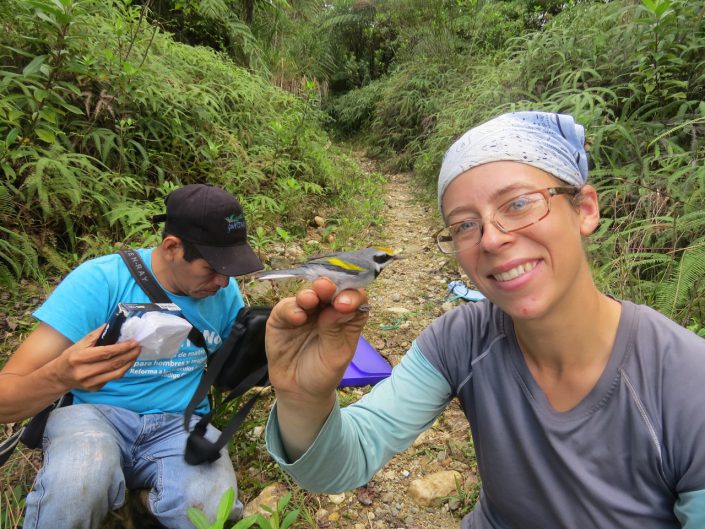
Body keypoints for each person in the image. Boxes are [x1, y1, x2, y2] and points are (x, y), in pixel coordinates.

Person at [262, 111, 705, 529]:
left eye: (518, 204)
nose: (492, 238)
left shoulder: (687, 382)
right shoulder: (461, 339)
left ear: (585, 209)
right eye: (464, 226)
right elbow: (346, 461)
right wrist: (304, 398)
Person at [0, 183, 264, 529]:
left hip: (179, 424)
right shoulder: (100, 281)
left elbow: (234, 364)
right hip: (94, 417)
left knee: (211, 506)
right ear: (172, 248)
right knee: (78, 480)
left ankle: (143, 506)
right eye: (212, 268)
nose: (222, 281)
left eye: (230, 268)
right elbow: (6, 395)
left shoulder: (222, 292)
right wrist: (60, 376)